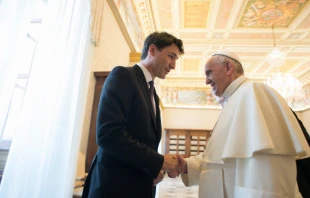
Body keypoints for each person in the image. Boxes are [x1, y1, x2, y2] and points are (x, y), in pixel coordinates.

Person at [172, 51, 310, 198]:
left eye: (209, 73)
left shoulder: (253, 92)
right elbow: (222, 161)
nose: (206, 81)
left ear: (228, 67)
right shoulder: (235, 99)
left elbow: (265, 173)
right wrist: (187, 165)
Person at [82, 32, 184, 198]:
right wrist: (159, 161)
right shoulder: (123, 76)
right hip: (113, 188)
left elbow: (144, 143)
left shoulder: (153, 94)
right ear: (152, 50)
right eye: (171, 56)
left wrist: (153, 169)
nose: (173, 65)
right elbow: (109, 134)